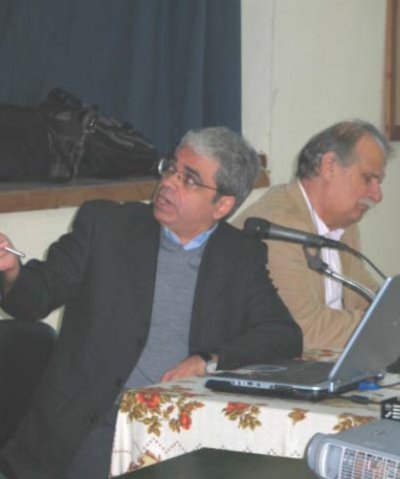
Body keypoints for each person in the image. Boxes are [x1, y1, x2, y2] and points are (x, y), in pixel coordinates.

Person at [0, 126, 302, 479]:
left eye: (190, 179)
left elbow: (283, 334)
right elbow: (37, 296)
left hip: (182, 429)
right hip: (93, 425)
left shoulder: (239, 255)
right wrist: (12, 272)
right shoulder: (106, 227)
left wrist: (208, 361)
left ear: (222, 205)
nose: (169, 183)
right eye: (171, 168)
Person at [233, 120, 391, 351]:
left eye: (379, 182)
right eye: (367, 178)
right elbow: (303, 331)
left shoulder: (344, 226)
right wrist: (386, 324)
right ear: (329, 167)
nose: (377, 195)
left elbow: (367, 297)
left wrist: (390, 315)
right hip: (264, 363)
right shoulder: (277, 226)